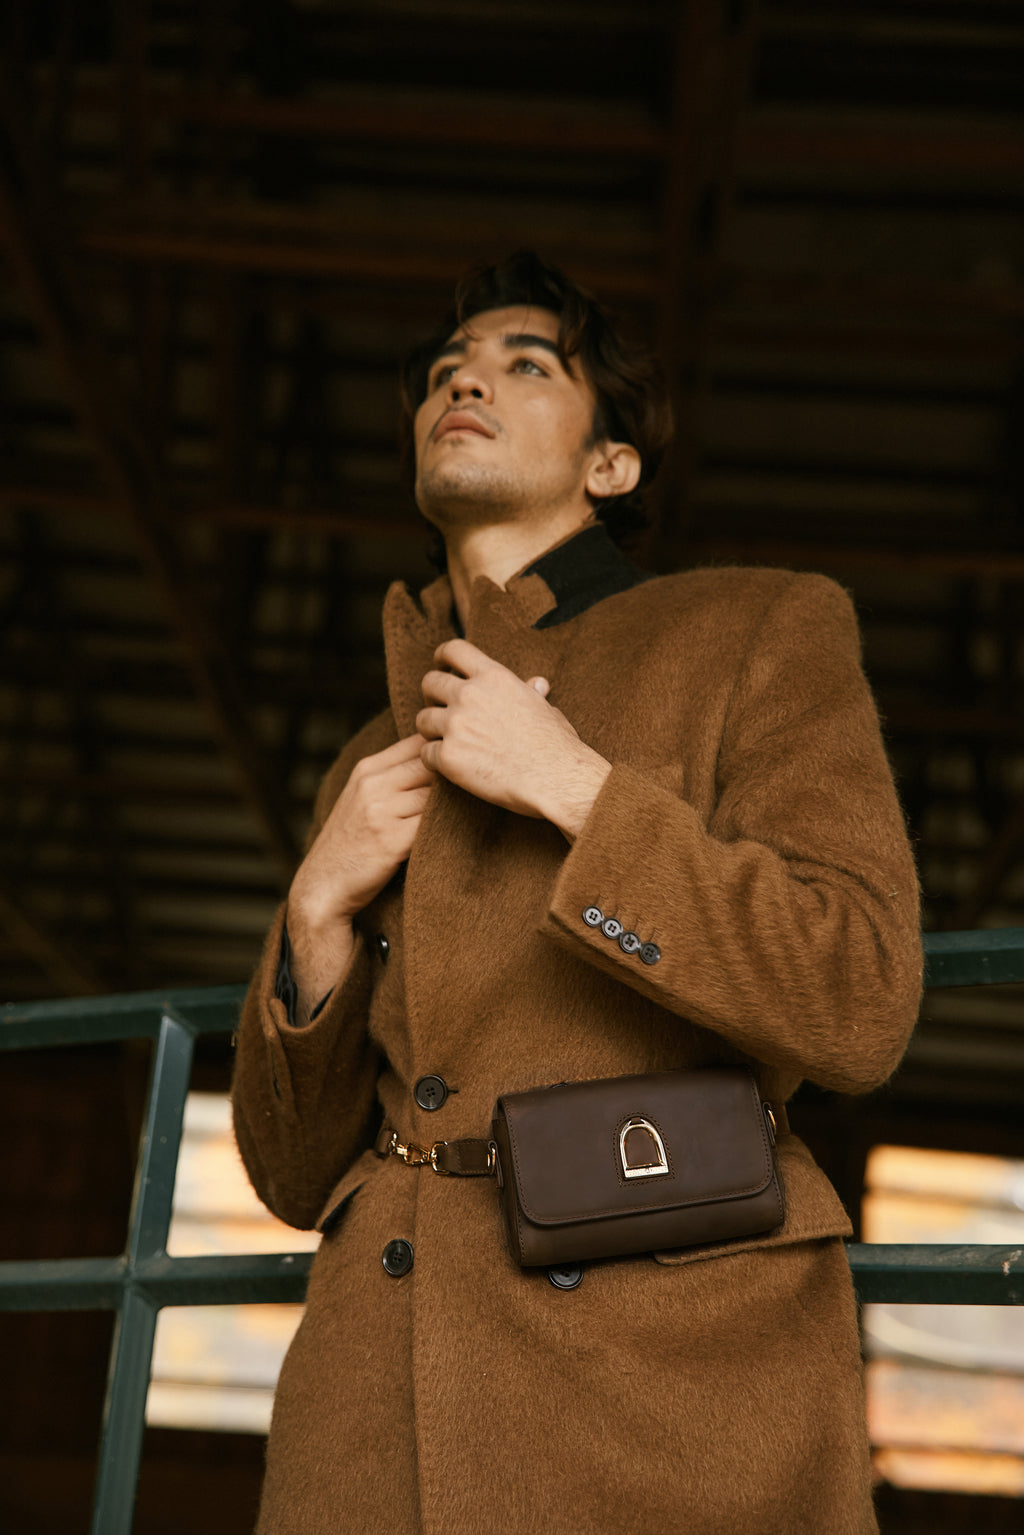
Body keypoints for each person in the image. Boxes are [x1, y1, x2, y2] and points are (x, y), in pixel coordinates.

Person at [232, 251, 922, 1534]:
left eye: (523, 364)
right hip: (365, 1412)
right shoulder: (372, 748)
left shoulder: (760, 628)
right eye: (446, 370)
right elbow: (285, 1171)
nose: (464, 381)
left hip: (654, 1397)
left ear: (610, 464)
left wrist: (579, 796)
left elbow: (858, 993)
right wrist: (316, 915)